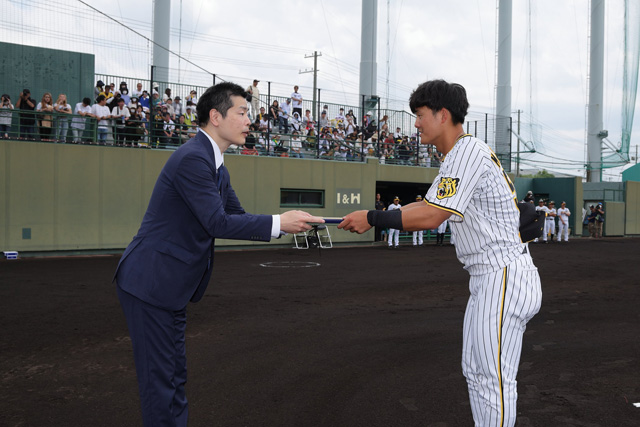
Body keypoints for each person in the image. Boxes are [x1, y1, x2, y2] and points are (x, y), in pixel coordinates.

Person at [114, 82, 322, 426]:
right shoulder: (194, 159)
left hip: (168, 287)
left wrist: (289, 222)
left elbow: (236, 217)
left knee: (173, 377)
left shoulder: (215, 164)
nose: (248, 121)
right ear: (215, 116)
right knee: (160, 382)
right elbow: (217, 222)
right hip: (150, 284)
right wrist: (278, 223)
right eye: (241, 113)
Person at [338, 79, 542, 427]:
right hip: (491, 277)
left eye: (420, 115)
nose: (415, 124)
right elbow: (428, 204)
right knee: (475, 371)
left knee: (493, 379)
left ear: (443, 115)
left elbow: (433, 215)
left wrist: (373, 217)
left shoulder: (466, 151)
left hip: (503, 274)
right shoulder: (457, 156)